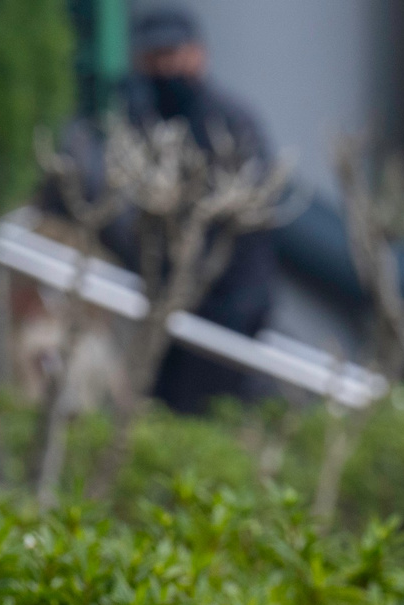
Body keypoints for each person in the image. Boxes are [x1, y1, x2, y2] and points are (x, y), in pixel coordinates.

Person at [120, 5, 278, 414]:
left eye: (172, 54)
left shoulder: (229, 122)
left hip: (228, 300)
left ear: (197, 54)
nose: (163, 67)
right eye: (154, 57)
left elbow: (250, 216)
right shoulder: (141, 119)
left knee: (211, 410)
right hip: (166, 297)